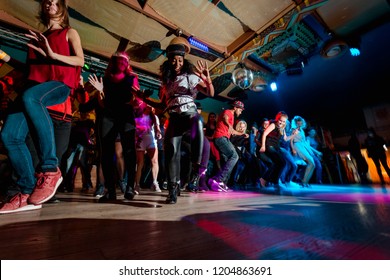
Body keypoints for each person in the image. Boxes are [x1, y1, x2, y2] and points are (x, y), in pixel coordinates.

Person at [0, 0, 84, 213]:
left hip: (58, 85)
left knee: (30, 98)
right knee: (9, 135)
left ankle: (50, 169)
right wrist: (4, 56)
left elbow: (80, 60)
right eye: (48, 1)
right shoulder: (39, 37)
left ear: (63, 8)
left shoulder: (69, 32)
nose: (51, 3)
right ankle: (25, 190)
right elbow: (32, 69)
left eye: (56, 1)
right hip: (34, 88)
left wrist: (52, 55)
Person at [142, 37, 214, 204]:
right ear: (169, 62)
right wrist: (143, 98)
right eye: (174, 60)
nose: (177, 63)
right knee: (171, 151)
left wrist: (207, 79)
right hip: (174, 118)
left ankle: (196, 171)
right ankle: (173, 191)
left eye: (180, 60)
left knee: (198, 122)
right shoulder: (166, 82)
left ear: (184, 61)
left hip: (190, 114)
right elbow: (161, 106)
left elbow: (210, 93)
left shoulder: (191, 77)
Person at [88, 51, 140, 202]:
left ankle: (129, 187)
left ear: (127, 63)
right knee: (106, 153)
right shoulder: (105, 79)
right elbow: (102, 103)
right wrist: (99, 91)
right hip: (108, 115)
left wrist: (137, 101)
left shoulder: (132, 78)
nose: (120, 63)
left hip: (125, 115)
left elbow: (136, 102)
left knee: (129, 152)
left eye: (123, 61)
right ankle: (110, 190)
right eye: (117, 60)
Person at [208, 100, 248, 192]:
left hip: (222, 138)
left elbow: (232, 132)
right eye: (240, 110)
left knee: (227, 161)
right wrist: (228, 124)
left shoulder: (232, 116)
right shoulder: (228, 112)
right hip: (220, 138)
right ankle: (219, 180)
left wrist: (242, 134)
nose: (241, 112)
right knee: (235, 156)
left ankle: (216, 180)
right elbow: (225, 117)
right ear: (235, 107)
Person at [259, 111, 296, 190]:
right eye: (280, 120)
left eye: (283, 121)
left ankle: (265, 179)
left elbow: (286, 139)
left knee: (278, 164)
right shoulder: (273, 125)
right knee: (282, 162)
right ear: (277, 119)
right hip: (270, 146)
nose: (281, 122)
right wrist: (263, 146)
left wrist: (294, 135)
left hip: (276, 147)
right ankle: (274, 182)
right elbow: (264, 134)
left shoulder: (283, 127)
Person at [134, 100, 162, 194]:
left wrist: (159, 133)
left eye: (152, 106)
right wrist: (136, 140)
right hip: (141, 141)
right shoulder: (138, 116)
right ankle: (137, 185)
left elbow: (158, 129)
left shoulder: (154, 117)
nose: (150, 107)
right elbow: (135, 130)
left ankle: (155, 182)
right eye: (148, 105)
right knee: (140, 163)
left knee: (154, 161)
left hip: (151, 140)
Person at [291, 116, 322, 187]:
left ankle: (305, 181)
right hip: (297, 146)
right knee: (311, 163)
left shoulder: (302, 130)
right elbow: (291, 141)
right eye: (298, 121)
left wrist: (315, 152)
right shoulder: (294, 129)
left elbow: (305, 143)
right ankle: (304, 182)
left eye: (300, 121)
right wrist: (293, 149)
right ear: (295, 122)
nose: (300, 122)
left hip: (303, 146)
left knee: (313, 164)